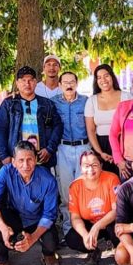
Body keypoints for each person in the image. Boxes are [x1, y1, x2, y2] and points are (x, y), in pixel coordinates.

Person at [0, 141, 60, 265]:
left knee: (51, 239)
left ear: (36, 160)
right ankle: (2, 262)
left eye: (30, 159)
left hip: (37, 220)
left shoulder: (48, 180)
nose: (25, 165)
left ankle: (48, 255)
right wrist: (3, 227)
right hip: (15, 217)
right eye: (21, 160)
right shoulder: (6, 171)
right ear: (13, 162)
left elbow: (49, 215)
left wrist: (33, 238)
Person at [0, 66, 63, 169]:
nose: (27, 84)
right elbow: (1, 129)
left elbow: (58, 127)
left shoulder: (47, 104)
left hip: (41, 159)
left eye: (30, 80)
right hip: (16, 159)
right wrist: (4, 156)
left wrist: (49, 149)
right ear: (17, 83)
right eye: (23, 80)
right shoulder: (9, 104)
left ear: (35, 82)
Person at [66, 151, 120, 265]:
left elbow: (117, 211)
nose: (90, 169)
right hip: (90, 223)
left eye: (94, 165)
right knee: (72, 238)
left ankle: (120, 254)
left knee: (118, 229)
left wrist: (97, 226)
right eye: (86, 166)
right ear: (80, 168)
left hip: (109, 221)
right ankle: (93, 251)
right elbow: (75, 217)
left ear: (101, 166)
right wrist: (86, 235)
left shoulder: (112, 179)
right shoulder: (75, 186)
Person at [52, 71, 89, 237]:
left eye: (72, 81)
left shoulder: (86, 102)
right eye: (65, 82)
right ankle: (68, 231)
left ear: (77, 83)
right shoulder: (53, 103)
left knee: (85, 188)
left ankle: (84, 228)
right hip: (63, 149)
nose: (69, 84)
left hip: (83, 148)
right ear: (59, 85)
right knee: (66, 190)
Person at [85, 64, 132, 173]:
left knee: (125, 180)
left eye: (106, 76)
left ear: (112, 77)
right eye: (99, 77)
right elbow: (91, 131)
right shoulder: (91, 101)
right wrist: (100, 153)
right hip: (102, 146)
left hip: (124, 145)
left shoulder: (126, 97)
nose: (103, 80)